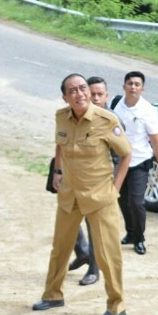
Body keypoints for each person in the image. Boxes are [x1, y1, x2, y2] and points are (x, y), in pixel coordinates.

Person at [32, 73, 132, 315]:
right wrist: (57, 170)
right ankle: (53, 294)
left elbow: (127, 154)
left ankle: (116, 304)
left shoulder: (106, 120)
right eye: (72, 91)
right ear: (65, 97)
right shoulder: (61, 117)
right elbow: (60, 143)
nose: (79, 94)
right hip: (69, 194)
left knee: (108, 254)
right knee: (60, 248)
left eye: (83, 88)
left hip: (99, 196)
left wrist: (115, 189)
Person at [112, 71, 158, 256]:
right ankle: (130, 232)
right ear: (124, 86)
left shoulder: (148, 111)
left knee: (136, 202)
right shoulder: (116, 105)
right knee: (121, 199)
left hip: (139, 162)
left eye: (137, 84)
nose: (133, 87)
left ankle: (140, 239)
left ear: (142, 88)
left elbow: (156, 142)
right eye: (130, 83)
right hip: (119, 163)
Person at [68, 76, 111, 285]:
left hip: (98, 184)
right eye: (90, 93)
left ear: (106, 97)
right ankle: (83, 252)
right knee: (69, 218)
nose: (93, 98)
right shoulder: (76, 115)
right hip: (74, 180)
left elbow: (120, 158)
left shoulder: (109, 121)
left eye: (98, 94)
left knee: (93, 225)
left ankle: (94, 269)